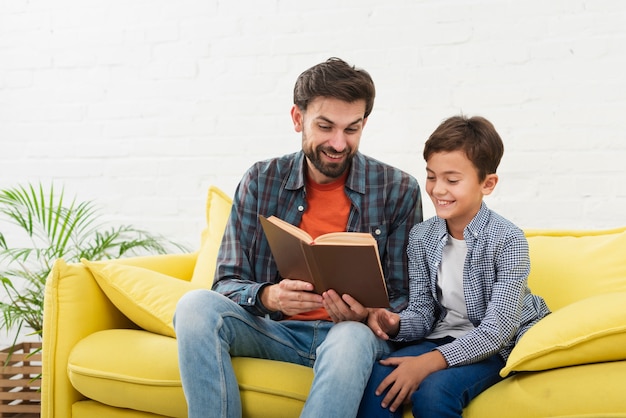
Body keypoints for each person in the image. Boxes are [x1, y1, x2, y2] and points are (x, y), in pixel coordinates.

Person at [174, 57, 423, 418]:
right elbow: (225, 282)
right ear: (297, 119)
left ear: (364, 124)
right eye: (325, 127)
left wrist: (370, 313)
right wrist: (270, 296)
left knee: (351, 337)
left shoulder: (398, 189)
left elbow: (410, 298)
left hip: (349, 338)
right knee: (194, 306)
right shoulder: (262, 180)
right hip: (276, 331)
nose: (338, 143)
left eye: (352, 129)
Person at [357, 115, 551, 418]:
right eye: (431, 176)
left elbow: (497, 330)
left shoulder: (508, 240)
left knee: (434, 392)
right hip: (443, 335)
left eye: (452, 180)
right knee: (380, 379)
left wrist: (429, 362)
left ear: (487, 184)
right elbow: (423, 312)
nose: (437, 189)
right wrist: (395, 324)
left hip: (497, 345)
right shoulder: (422, 237)